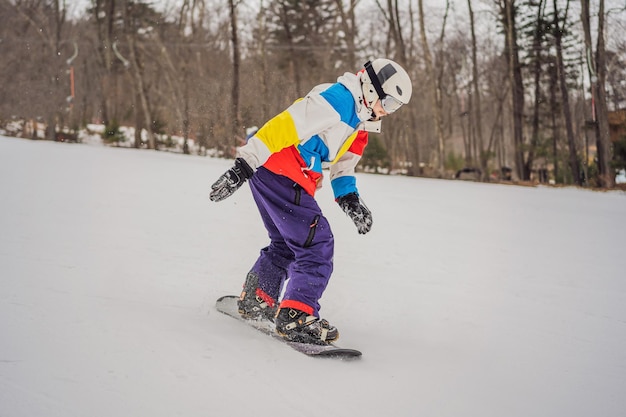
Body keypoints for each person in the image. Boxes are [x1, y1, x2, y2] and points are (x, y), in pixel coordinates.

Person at [209, 59, 412, 345]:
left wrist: (349, 198)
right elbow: (284, 126)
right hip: (281, 172)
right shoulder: (337, 100)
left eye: (395, 108)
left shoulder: (363, 119)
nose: (386, 112)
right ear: (370, 87)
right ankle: (296, 315)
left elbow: (344, 165)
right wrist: (244, 165)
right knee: (317, 244)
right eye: (388, 103)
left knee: (286, 242)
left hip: (278, 175)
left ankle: (259, 298)